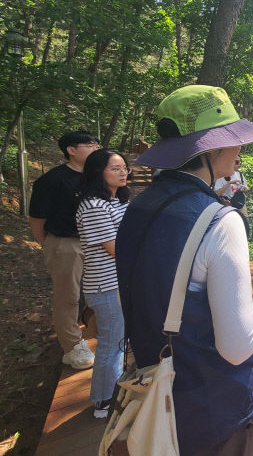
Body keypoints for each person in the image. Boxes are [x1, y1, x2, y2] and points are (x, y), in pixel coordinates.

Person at [116, 85, 253, 455]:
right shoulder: (220, 221)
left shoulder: (139, 207)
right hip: (212, 409)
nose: (240, 150)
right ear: (211, 148)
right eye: (235, 140)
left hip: (154, 392)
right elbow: (237, 346)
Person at [28, 130, 100, 369]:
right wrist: (50, 245)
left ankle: (100, 331)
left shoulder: (96, 177)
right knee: (67, 296)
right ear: (71, 150)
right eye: (90, 145)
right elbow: (37, 219)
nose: (96, 148)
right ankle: (72, 347)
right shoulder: (53, 180)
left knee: (100, 289)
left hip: (96, 242)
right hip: (66, 243)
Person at [75, 148, 130, 419]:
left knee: (118, 339)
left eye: (124, 167)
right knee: (111, 342)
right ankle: (104, 401)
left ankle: (114, 390)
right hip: (105, 285)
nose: (123, 172)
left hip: (117, 282)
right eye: (115, 168)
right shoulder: (94, 206)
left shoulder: (116, 201)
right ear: (99, 173)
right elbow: (114, 248)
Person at [214, 155, 250, 236]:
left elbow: (247, 187)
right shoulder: (220, 176)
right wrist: (229, 183)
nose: (239, 165)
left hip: (239, 204)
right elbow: (216, 193)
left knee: (244, 225)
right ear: (230, 162)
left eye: (240, 162)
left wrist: (244, 188)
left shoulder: (239, 175)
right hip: (226, 205)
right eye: (237, 162)